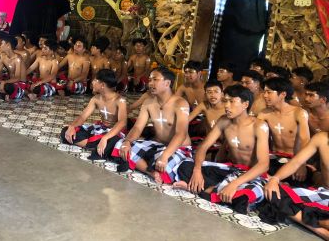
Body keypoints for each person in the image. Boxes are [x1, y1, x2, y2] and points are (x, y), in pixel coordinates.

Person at [173, 85, 270, 214]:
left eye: (232, 101)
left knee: (244, 197)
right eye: (225, 101)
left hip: (250, 175)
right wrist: (197, 170)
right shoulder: (224, 121)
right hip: (230, 169)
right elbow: (203, 147)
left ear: (245, 104)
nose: (227, 106)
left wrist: (234, 184)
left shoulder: (259, 126)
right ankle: (214, 190)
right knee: (185, 166)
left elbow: (263, 165)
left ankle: (205, 190)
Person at [114, 67, 192, 184]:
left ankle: (150, 165)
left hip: (178, 148)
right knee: (120, 145)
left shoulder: (180, 103)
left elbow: (181, 134)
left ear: (167, 83)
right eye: (149, 80)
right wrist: (127, 142)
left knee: (165, 167)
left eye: (155, 80)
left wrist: (165, 156)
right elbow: (137, 127)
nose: (150, 83)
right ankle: (150, 172)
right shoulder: (148, 102)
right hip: (158, 144)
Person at [260, 132, 329, 239]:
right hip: (323, 193)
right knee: (274, 192)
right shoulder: (321, 138)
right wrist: (275, 179)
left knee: (283, 205)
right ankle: (322, 230)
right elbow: (296, 162)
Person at [61, 69, 127, 159]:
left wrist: (105, 138)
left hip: (114, 133)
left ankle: (100, 145)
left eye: (95, 80)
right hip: (100, 129)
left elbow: (122, 122)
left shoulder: (120, 100)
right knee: (66, 131)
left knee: (113, 142)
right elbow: (83, 116)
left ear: (102, 85)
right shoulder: (95, 99)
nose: (92, 82)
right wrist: (72, 126)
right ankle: (98, 147)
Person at [259, 77, 312, 185]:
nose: (265, 96)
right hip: (272, 158)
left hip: (294, 160)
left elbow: (305, 140)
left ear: (283, 94)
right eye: (264, 92)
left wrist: (301, 165)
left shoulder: (299, 113)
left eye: (269, 92)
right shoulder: (264, 114)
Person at [0, 35, 28, 101]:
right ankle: (5, 95)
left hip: (19, 84)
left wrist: (3, 82)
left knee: (7, 87)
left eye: (2, 44)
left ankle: (6, 94)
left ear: (8, 45)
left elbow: (18, 78)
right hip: (9, 82)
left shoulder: (18, 58)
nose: (0, 46)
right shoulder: (3, 57)